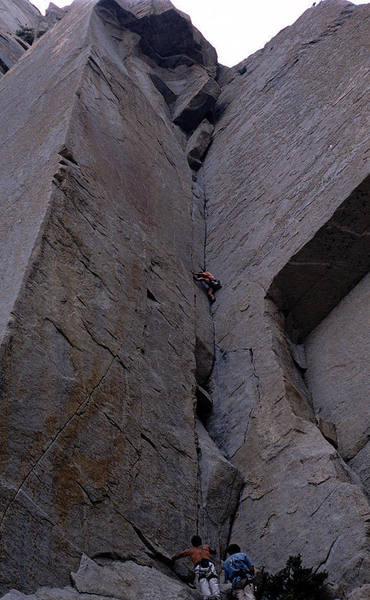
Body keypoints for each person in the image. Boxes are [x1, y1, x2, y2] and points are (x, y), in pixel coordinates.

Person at [172, 535, 221, 599]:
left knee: (203, 580)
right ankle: (217, 595)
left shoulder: (190, 550)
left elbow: (180, 555)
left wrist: (173, 557)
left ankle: (207, 596)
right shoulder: (206, 546)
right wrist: (213, 551)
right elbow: (213, 551)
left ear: (192, 543)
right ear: (201, 541)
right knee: (212, 578)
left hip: (199, 566)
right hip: (209, 564)